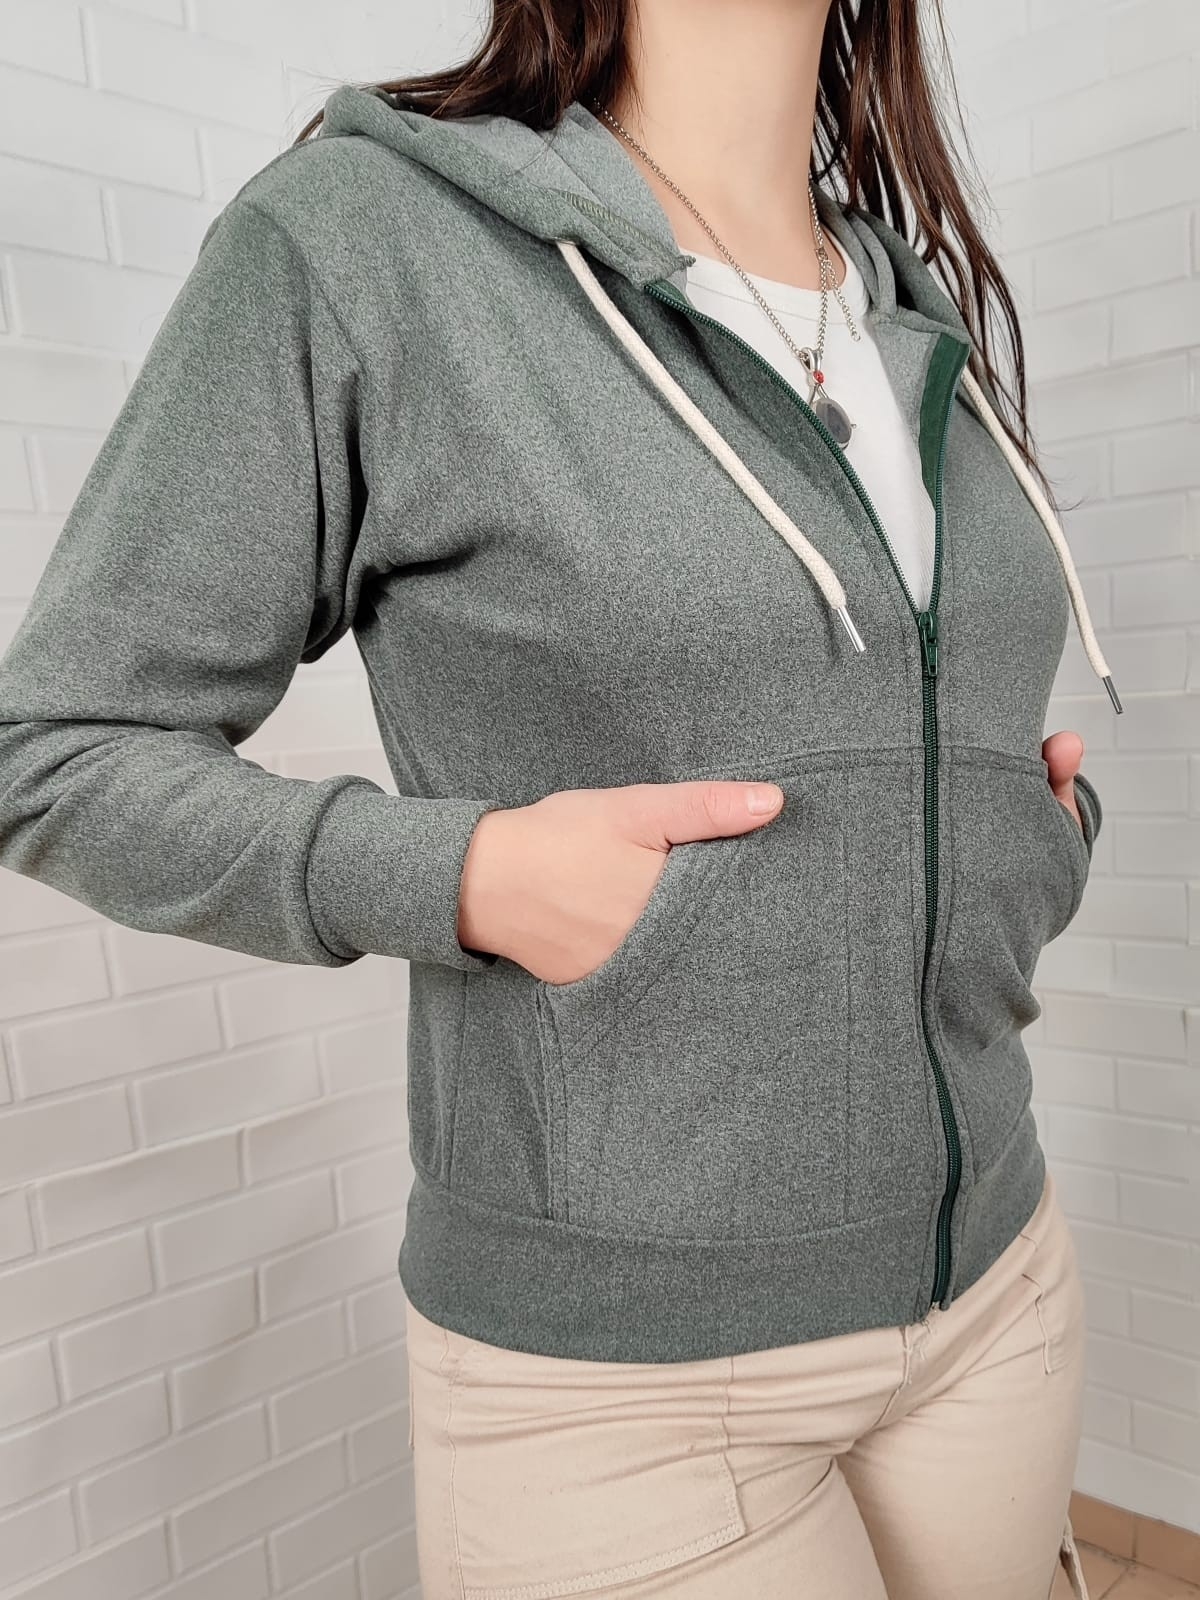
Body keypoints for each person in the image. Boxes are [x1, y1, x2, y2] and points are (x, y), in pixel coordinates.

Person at [0, 0, 1122, 1595]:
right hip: (623, 1384)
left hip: (997, 1284)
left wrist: (1033, 839)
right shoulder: (367, 240)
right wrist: (464, 878)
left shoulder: (904, 306)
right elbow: (60, 745)